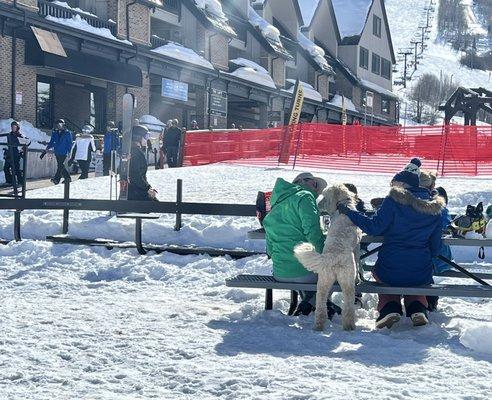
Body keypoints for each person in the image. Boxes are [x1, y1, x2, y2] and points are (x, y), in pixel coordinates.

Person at [338, 158, 445, 328]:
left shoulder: (393, 200)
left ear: (401, 184)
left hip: (390, 265)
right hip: (420, 269)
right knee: (415, 280)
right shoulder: (436, 209)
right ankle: (417, 308)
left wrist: (351, 212)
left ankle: (390, 309)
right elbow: (436, 247)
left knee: (383, 276)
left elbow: (374, 228)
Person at [263, 172, 340, 318]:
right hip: (304, 273)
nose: (317, 191)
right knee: (335, 270)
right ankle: (309, 304)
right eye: (315, 184)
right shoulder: (304, 196)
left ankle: (310, 302)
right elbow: (313, 233)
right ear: (302, 182)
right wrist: (327, 255)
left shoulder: (276, 203)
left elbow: (270, 249)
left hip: (280, 273)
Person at [128, 125, 157, 201]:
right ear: (138, 137)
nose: (147, 139)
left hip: (139, 189)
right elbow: (135, 175)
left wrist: (148, 187)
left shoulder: (137, 150)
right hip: (136, 193)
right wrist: (148, 188)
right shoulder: (135, 152)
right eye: (146, 136)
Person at [45, 119, 74, 185]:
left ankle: (56, 179)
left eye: (60, 124)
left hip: (63, 151)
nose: (59, 126)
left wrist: (70, 152)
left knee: (60, 165)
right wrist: (47, 148)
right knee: (60, 165)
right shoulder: (55, 132)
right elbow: (52, 141)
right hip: (57, 151)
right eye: (58, 124)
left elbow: (69, 143)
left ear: (63, 125)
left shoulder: (67, 133)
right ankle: (67, 178)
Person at [2, 120, 25, 186]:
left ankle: (20, 182)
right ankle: (9, 181)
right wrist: (6, 152)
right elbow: (6, 144)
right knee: (6, 168)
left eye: (14, 127)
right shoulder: (9, 135)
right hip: (9, 154)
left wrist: (22, 150)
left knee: (16, 169)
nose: (13, 128)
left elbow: (26, 143)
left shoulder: (20, 135)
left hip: (15, 154)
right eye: (12, 127)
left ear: (17, 127)